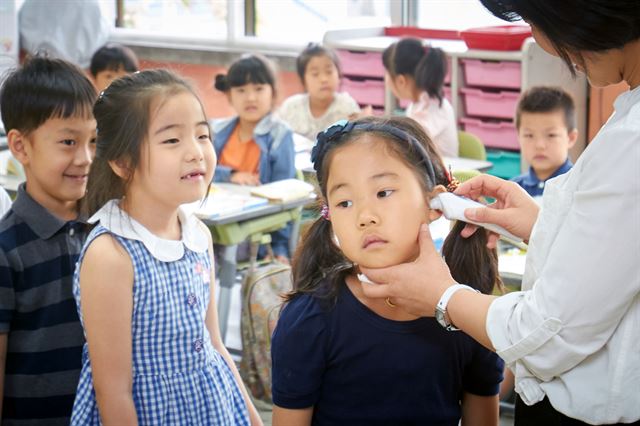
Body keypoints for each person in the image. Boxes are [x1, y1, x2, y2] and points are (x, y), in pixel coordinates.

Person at [360, 1, 640, 425]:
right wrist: (543, 226)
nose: (543, 43)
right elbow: (616, 247)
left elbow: (551, 330)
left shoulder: (632, 143)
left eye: (534, 21)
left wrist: (444, 297)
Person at [271, 116, 504, 426]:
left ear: (435, 203)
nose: (365, 217)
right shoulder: (310, 320)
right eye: (345, 202)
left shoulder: (469, 313)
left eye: (383, 193)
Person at [70, 69, 261, 425]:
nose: (196, 152)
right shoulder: (111, 255)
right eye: (172, 140)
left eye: (202, 134)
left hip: (211, 408)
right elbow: (113, 390)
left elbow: (215, 345)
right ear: (123, 162)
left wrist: (253, 419)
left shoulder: (197, 235)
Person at [0, 56, 97, 425]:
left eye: (93, 140)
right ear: (21, 147)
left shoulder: (105, 231)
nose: (85, 158)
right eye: (69, 141)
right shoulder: (7, 251)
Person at [212, 54, 296, 263]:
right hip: (214, 219)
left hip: (253, 229)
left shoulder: (279, 136)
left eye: (258, 89)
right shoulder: (217, 131)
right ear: (230, 96)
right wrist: (231, 175)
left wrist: (279, 248)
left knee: (209, 254)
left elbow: (285, 196)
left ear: (273, 93)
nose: (250, 98)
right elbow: (200, 171)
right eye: (241, 90)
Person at [382, 38, 458, 158]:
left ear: (401, 81)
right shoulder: (420, 103)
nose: (385, 81)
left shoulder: (431, 109)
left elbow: (410, 147)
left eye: (386, 73)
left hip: (439, 174)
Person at [277, 43, 361, 141]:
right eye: (315, 74)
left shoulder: (347, 107)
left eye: (329, 72)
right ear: (303, 80)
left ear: (338, 75)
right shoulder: (290, 107)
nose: (323, 79)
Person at [511, 86, 577, 198]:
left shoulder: (580, 187)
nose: (539, 145)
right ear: (519, 137)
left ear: (570, 138)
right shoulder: (513, 189)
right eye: (529, 135)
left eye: (551, 135)